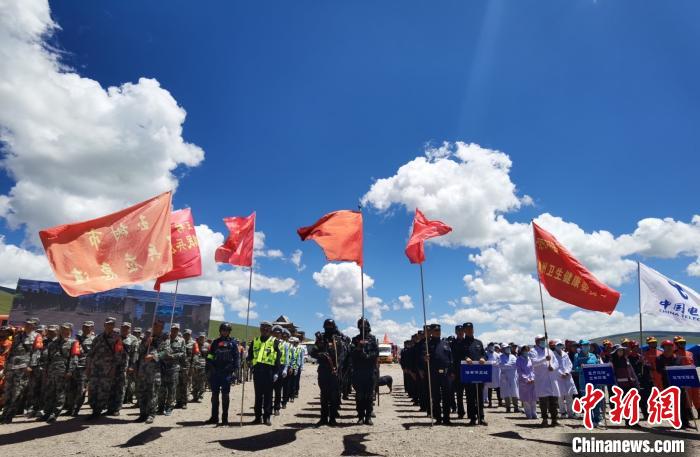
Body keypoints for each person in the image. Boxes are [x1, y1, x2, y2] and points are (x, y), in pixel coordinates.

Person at [309, 319, 345, 426]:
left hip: (335, 371)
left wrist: (338, 366)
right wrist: (320, 354)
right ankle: (324, 418)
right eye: (327, 326)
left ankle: (332, 418)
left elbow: (342, 355)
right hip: (324, 371)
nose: (329, 328)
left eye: (330, 326)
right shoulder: (321, 339)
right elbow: (313, 353)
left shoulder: (338, 339)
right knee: (324, 395)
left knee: (334, 396)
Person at [135, 319, 171, 424]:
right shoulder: (147, 337)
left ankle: (151, 414)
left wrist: (153, 356)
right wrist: (146, 343)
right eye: (155, 325)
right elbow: (139, 351)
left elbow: (166, 352)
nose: (156, 327)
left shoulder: (165, 339)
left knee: (153, 393)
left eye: (159, 326)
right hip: (143, 369)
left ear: (162, 327)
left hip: (154, 371)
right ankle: (142, 414)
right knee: (142, 392)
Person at [86, 317, 123, 419]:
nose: (109, 326)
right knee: (93, 389)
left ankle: (97, 411)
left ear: (114, 325)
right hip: (95, 368)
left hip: (107, 369)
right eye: (107, 324)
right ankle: (94, 409)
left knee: (103, 390)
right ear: (104, 325)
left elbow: (118, 355)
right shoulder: (98, 338)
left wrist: (113, 369)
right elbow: (90, 353)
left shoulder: (117, 339)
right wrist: (88, 367)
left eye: (111, 324)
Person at [247, 321, 281, 425]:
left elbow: (278, 358)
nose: (265, 330)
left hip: (269, 371)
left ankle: (267, 417)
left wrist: (276, 372)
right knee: (258, 396)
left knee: (268, 395)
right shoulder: (255, 341)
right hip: (257, 371)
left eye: (267, 328)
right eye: (263, 328)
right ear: (260, 329)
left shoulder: (275, 341)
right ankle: (257, 417)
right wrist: (248, 361)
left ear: (270, 330)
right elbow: (251, 355)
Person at [205, 322, 239, 425]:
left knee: (225, 396)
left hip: (227, 373)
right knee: (214, 396)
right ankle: (214, 417)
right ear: (220, 331)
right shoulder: (215, 342)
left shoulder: (233, 343)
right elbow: (210, 355)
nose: (225, 332)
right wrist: (209, 366)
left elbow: (236, 358)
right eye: (223, 330)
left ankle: (225, 419)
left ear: (229, 332)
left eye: (227, 330)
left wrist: (235, 371)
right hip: (215, 372)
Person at [41, 323, 76, 423]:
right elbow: (48, 358)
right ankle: (47, 413)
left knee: (60, 393)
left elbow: (73, 359)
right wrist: (46, 370)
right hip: (52, 371)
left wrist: (69, 371)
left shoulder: (73, 342)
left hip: (63, 372)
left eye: (66, 329)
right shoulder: (53, 343)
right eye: (62, 329)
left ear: (70, 331)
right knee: (49, 393)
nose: (64, 331)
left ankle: (55, 413)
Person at [656, 339, 693, 429]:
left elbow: (681, 370)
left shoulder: (678, 358)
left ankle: (686, 422)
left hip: (679, 383)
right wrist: (667, 370)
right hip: (668, 384)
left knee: (683, 403)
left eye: (670, 346)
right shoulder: (659, 359)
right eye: (666, 347)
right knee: (673, 404)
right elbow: (658, 370)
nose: (669, 348)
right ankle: (677, 422)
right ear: (663, 348)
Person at [350, 318, 379, 425]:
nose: (363, 327)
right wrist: (358, 348)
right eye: (361, 325)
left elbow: (376, 353)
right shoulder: (355, 339)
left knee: (369, 395)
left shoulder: (372, 339)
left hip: (370, 371)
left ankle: (368, 416)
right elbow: (351, 353)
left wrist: (367, 355)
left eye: (364, 325)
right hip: (358, 371)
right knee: (360, 395)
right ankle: (360, 416)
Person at [530, 335, 560, 427]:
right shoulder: (533, 351)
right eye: (541, 340)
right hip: (542, 380)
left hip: (552, 379)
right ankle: (545, 419)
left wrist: (553, 367)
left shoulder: (549, 350)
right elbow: (533, 362)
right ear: (536, 342)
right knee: (543, 401)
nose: (543, 341)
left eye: (544, 340)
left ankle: (554, 419)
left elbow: (556, 362)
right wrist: (544, 359)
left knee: (554, 401)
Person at [110, 322, 139, 415]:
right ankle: (110, 407)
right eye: (123, 328)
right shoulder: (116, 337)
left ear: (130, 329)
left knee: (121, 387)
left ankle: (117, 408)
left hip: (125, 367)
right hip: (114, 366)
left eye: (127, 328)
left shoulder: (133, 339)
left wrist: (131, 366)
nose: (125, 329)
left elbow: (134, 354)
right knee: (111, 387)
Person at [66, 320, 94, 416]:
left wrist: (90, 368)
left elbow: (94, 355)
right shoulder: (76, 339)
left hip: (84, 367)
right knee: (71, 389)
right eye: (84, 326)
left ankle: (76, 409)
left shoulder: (94, 340)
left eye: (88, 327)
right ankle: (70, 408)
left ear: (92, 328)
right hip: (73, 367)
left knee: (81, 389)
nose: (85, 328)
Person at [426, 323, 453, 425]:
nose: (438, 332)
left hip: (446, 374)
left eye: (439, 331)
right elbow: (423, 358)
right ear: (432, 332)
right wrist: (426, 358)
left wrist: (452, 371)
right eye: (436, 331)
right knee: (436, 397)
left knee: (447, 397)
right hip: (434, 374)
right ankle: (438, 418)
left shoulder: (445, 343)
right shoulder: (428, 345)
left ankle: (446, 418)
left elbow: (451, 359)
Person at [573, 339, 602, 428]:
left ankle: (597, 419)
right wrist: (581, 368)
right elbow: (575, 368)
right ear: (581, 346)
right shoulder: (577, 356)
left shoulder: (593, 355)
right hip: (584, 382)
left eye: (587, 345)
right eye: (584, 345)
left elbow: (598, 366)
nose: (586, 347)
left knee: (596, 400)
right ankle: (589, 419)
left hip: (595, 381)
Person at [462, 322, 487, 426]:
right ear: (464, 331)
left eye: (471, 329)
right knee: (470, 396)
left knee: (479, 396)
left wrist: (483, 358)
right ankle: (472, 418)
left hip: (478, 372)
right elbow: (458, 355)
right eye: (467, 329)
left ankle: (481, 417)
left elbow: (485, 355)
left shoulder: (478, 342)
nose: (469, 330)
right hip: (468, 372)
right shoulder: (462, 343)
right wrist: (465, 358)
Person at [159, 323, 185, 416]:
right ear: (171, 329)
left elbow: (182, 353)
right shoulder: (165, 339)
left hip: (174, 368)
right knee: (162, 388)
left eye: (176, 329)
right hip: (163, 367)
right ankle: (160, 407)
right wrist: (164, 355)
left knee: (172, 389)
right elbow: (160, 350)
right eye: (173, 329)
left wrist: (173, 356)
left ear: (178, 330)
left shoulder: (181, 340)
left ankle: (169, 407)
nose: (174, 331)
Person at [674, 335, 700, 419]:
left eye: (683, 343)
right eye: (680, 343)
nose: (682, 344)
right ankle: (689, 414)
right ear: (676, 344)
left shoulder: (690, 353)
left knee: (697, 395)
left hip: (693, 376)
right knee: (687, 396)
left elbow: (693, 364)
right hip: (682, 378)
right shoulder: (673, 355)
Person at [552, 339, 577, 419]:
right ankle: (563, 412)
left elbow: (569, 364)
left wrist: (567, 372)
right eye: (558, 345)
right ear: (555, 346)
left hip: (567, 376)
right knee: (560, 397)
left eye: (561, 345)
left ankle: (571, 412)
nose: (560, 346)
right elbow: (553, 366)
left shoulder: (565, 354)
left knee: (569, 395)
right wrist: (560, 373)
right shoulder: (552, 355)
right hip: (558, 377)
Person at [450, 325, 468, 418]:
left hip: (468, 371)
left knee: (470, 394)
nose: (460, 332)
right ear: (456, 332)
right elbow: (450, 359)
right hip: (457, 372)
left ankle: (471, 413)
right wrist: (452, 372)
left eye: (462, 331)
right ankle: (461, 412)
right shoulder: (452, 344)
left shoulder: (468, 342)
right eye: (458, 331)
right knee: (459, 394)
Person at [271, 326, 289, 416]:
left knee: (278, 390)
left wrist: (285, 369)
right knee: (268, 390)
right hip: (270, 367)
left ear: (281, 334)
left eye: (278, 333)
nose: (277, 334)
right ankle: (268, 407)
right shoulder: (269, 342)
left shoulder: (285, 344)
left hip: (280, 367)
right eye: (275, 332)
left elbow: (286, 358)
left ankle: (277, 408)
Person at [176, 328, 196, 410]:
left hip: (187, 367)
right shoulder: (179, 341)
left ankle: (184, 403)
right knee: (177, 384)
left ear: (190, 335)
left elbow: (195, 356)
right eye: (185, 334)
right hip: (178, 366)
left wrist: (192, 367)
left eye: (188, 334)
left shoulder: (193, 343)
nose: (187, 335)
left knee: (184, 385)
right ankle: (178, 402)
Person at [516, 345, 537, 419]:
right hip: (524, 382)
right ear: (521, 351)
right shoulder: (518, 360)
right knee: (526, 399)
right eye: (525, 350)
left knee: (533, 398)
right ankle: (528, 414)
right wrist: (526, 379)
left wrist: (533, 378)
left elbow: (533, 369)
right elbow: (519, 371)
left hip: (532, 381)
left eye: (527, 350)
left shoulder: (530, 359)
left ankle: (534, 413)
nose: (526, 352)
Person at [498, 342, 519, 413]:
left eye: (508, 348)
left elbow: (515, 365)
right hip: (505, 376)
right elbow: (500, 365)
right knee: (506, 392)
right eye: (506, 348)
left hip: (513, 376)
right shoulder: (500, 357)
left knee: (514, 391)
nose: (508, 349)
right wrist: (508, 366)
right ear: (503, 349)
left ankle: (516, 407)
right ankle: (508, 407)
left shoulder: (513, 356)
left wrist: (506, 365)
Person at [484, 343, 502, 408]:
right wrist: (491, 363)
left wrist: (492, 363)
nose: (491, 348)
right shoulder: (485, 354)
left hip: (496, 373)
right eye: (490, 346)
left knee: (498, 388)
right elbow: (484, 362)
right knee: (489, 389)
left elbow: (499, 362)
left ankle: (500, 401)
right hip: (489, 373)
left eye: (492, 346)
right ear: (488, 347)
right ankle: (490, 402)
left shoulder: (497, 354)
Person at [191, 332, 207, 402]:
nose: (201, 338)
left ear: (205, 338)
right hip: (195, 366)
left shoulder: (207, 345)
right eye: (200, 337)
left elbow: (211, 355)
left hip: (203, 366)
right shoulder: (194, 344)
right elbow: (191, 354)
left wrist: (207, 360)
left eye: (203, 337)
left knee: (202, 382)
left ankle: (200, 396)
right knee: (194, 382)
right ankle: (195, 396)